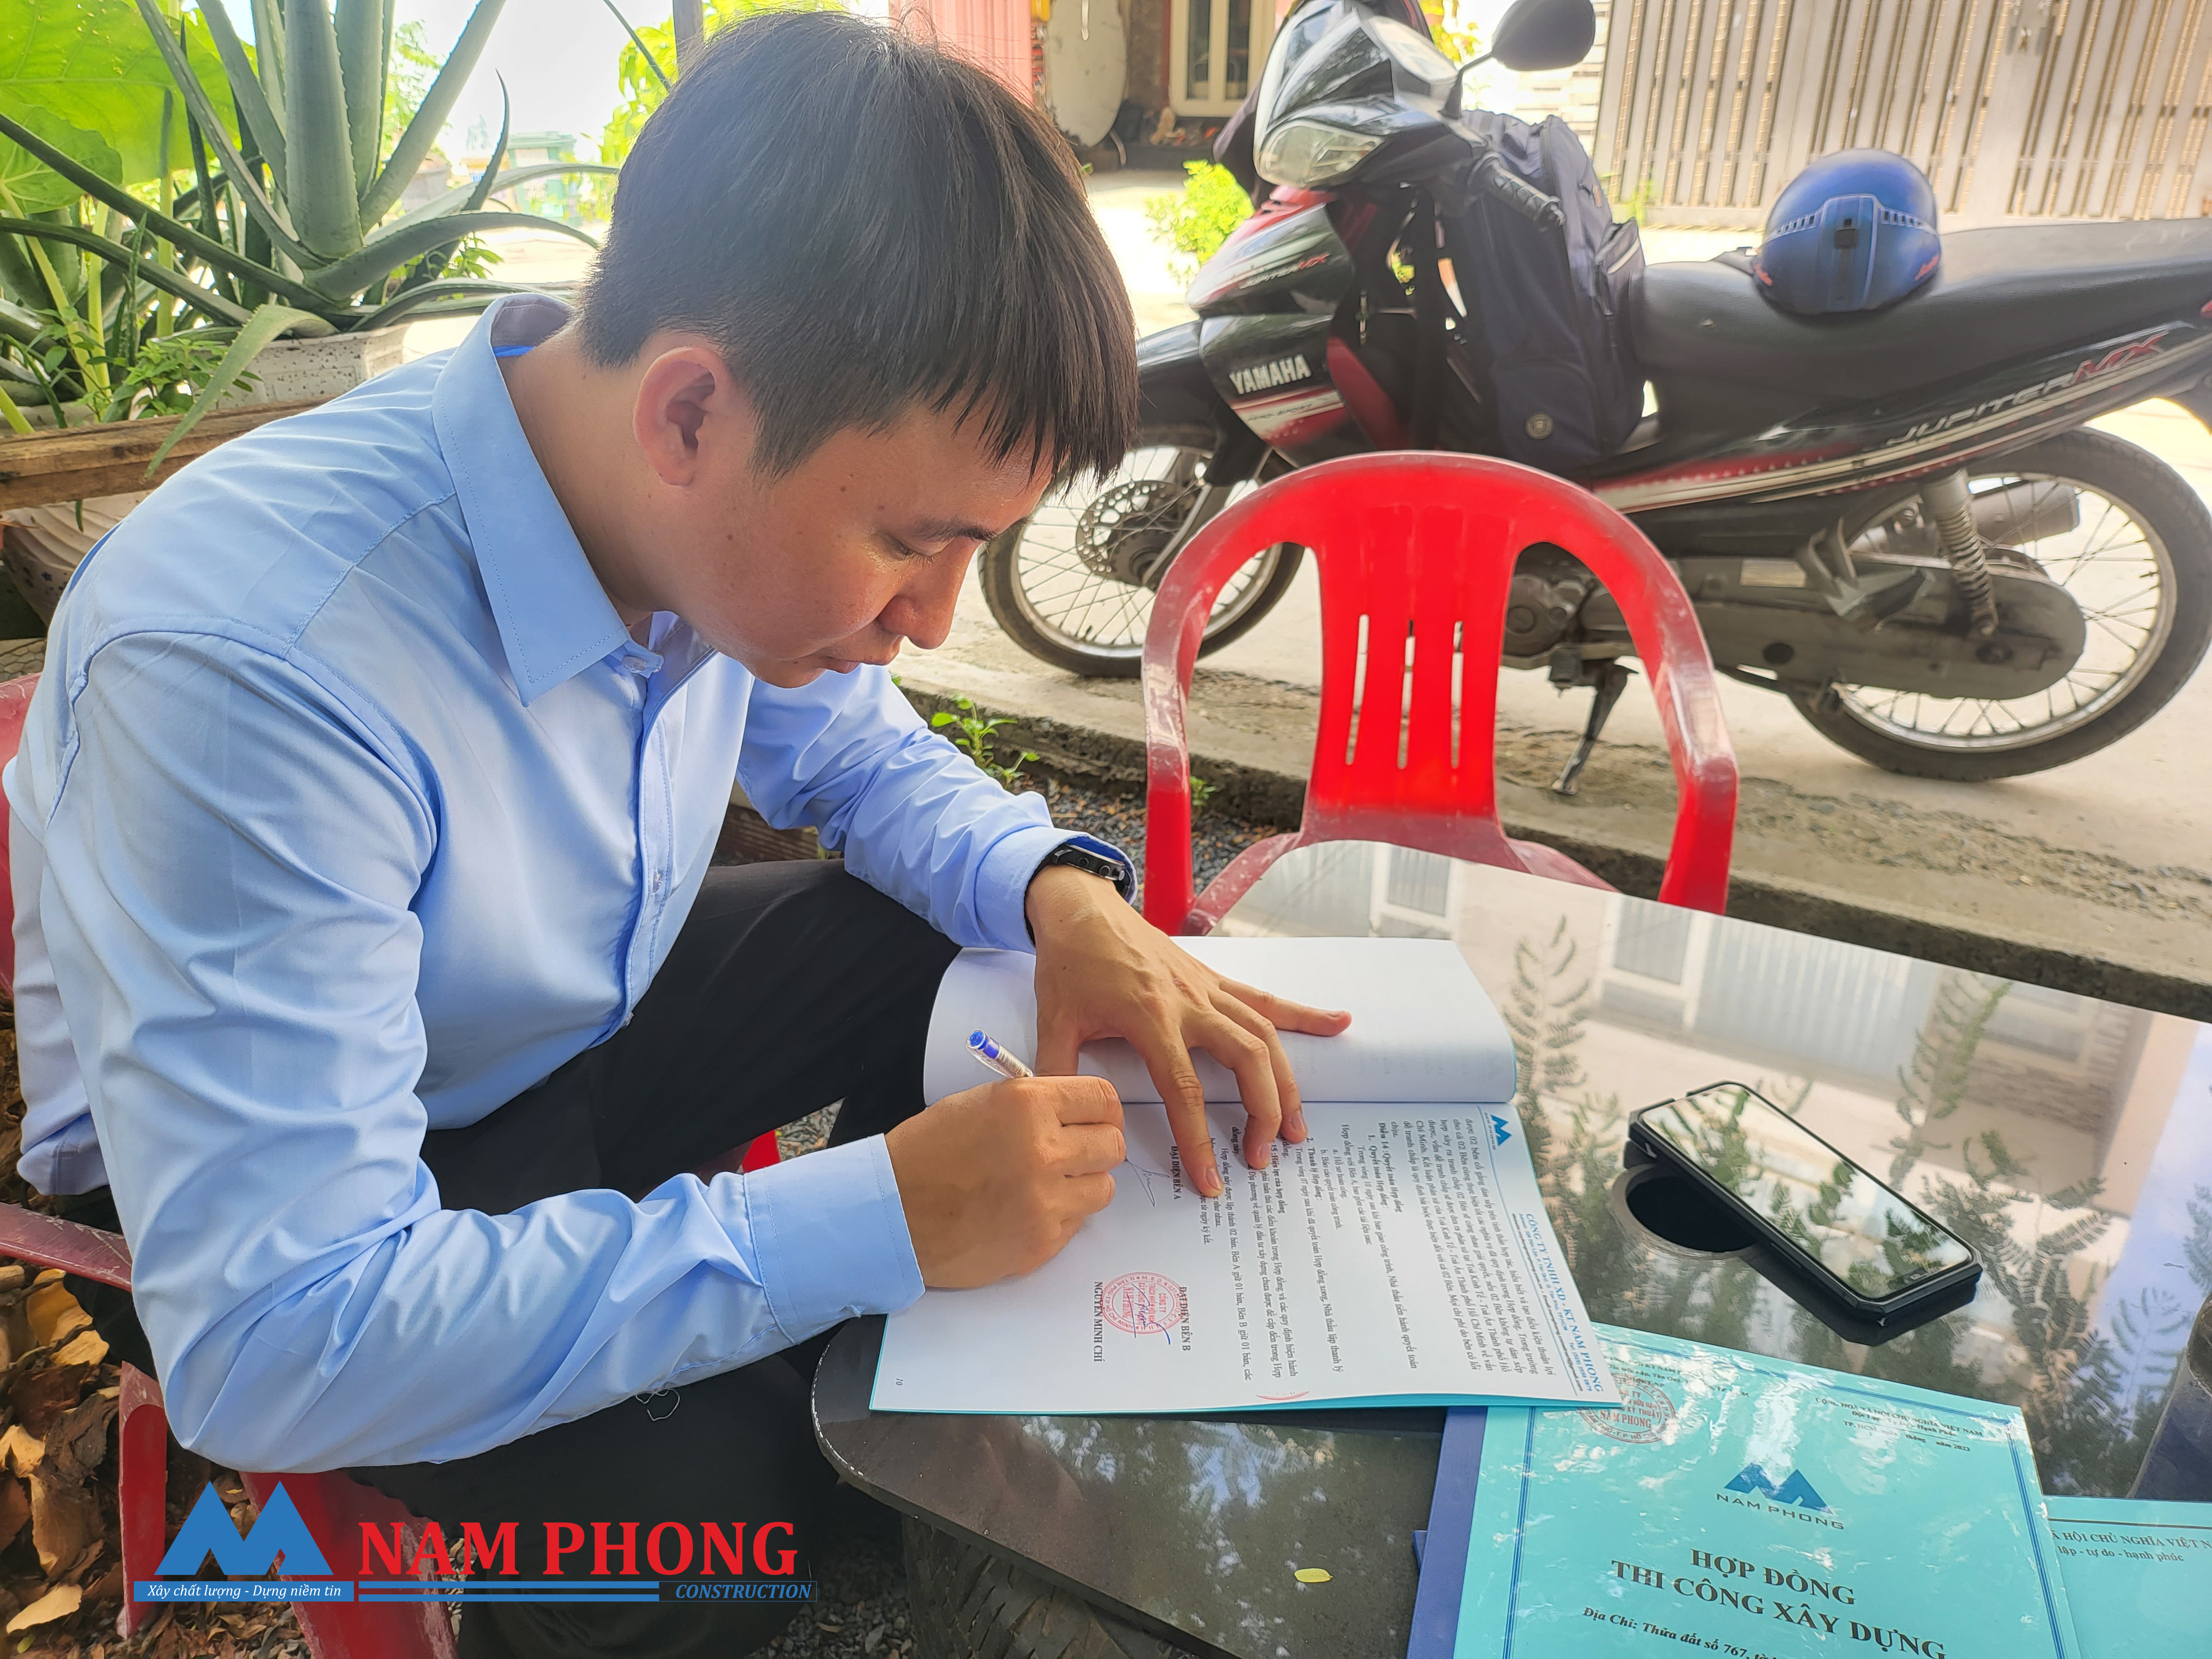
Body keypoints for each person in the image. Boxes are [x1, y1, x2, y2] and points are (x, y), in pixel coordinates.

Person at [3, 12, 1348, 1656]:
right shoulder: (255, 664)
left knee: (963, 942)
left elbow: (855, 755)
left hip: (554, 1025)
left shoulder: (662, 507)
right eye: (911, 543)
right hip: (294, 1199)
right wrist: (879, 1217)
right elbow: (280, 1337)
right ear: (693, 411)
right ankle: (818, 1417)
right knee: (718, 1527)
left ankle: (877, 1368)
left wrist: (1065, 894)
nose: (935, 621)